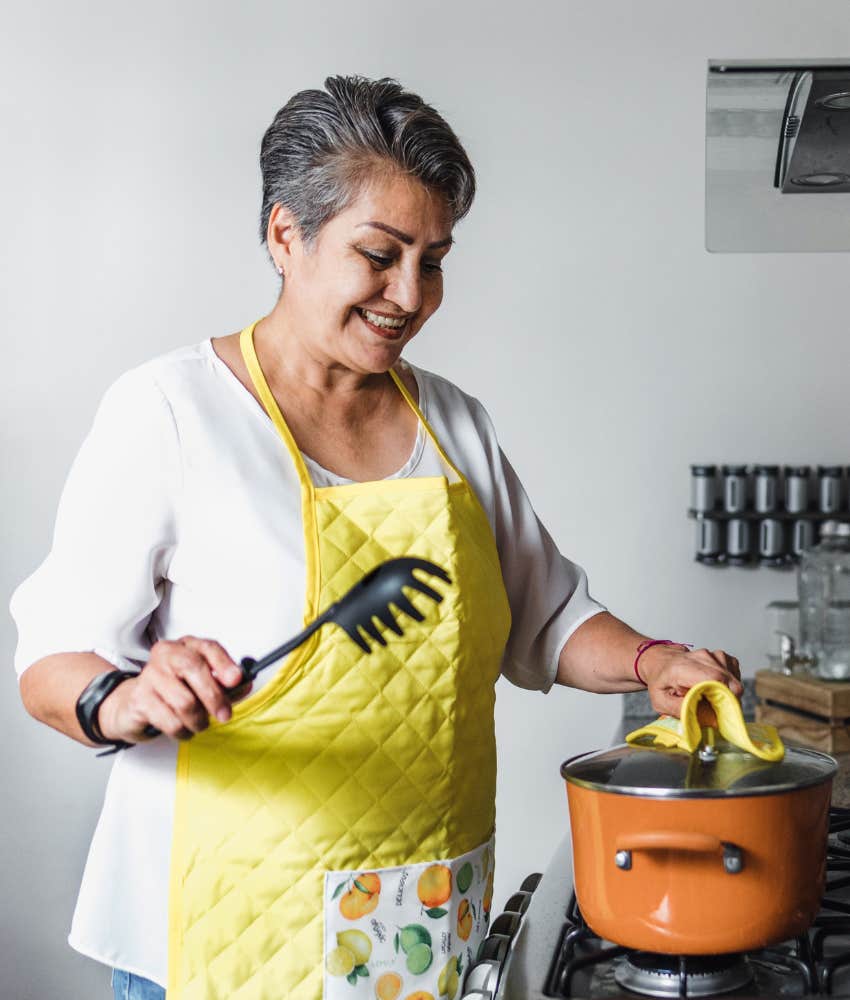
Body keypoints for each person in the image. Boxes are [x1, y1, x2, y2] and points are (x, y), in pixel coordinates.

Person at [11, 75, 742, 1000]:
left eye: (432, 260)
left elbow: (547, 615)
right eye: (379, 253)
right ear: (287, 234)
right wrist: (125, 699)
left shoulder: (453, 424)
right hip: (220, 938)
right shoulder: (170, 411)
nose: (410, 294)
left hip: (423, 923)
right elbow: (50, 664)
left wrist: (652, 661)